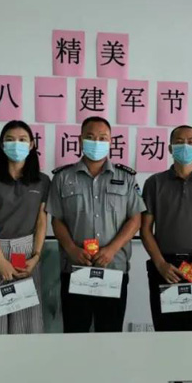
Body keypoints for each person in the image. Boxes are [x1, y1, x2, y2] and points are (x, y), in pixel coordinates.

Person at [46, 116, 146, 333]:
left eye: (102, 138)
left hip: (113, 268)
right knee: (75, 332)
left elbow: (135, 219)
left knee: (110, 333)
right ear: (80, 140)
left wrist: (111, 249)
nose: (96, 142)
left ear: (111, 141)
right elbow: (57, 220)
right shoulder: (63, 177)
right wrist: (72, 249)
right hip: (75, 269)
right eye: (90, 137)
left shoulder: (126, 177)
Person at [141, 125, 192, 332]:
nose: (185, 146)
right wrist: (160, 264)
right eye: (179, 142)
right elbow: (145, 229)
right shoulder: (154, 183)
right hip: (164, 266)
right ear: (170, 148)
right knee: (164, 331)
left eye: (191, 142)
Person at [0, 121, 49, 334]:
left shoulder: (42, 181)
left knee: (26, 321)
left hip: (26, 253)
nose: (16, 144)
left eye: (22, 139)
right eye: (10, 139)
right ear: (1, 144)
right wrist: (0, 260)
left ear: (32, 144)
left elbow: (41, 221)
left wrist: (36, 256)